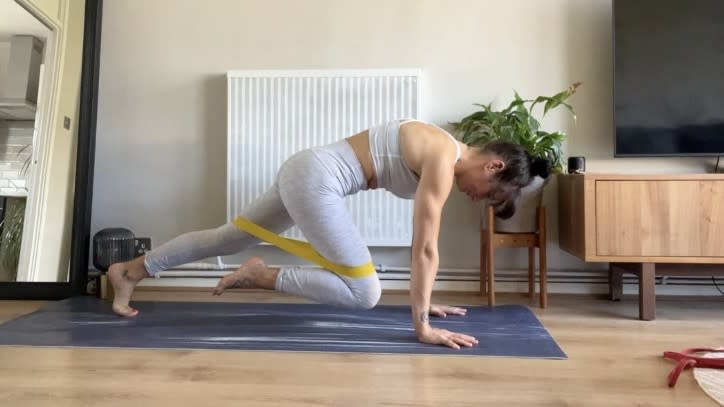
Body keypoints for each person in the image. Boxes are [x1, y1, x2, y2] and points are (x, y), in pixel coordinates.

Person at [107, 118, 550, 349]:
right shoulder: (441, 157)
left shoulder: (442, 148)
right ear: (493, 165)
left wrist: (426, 298)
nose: (479, 198)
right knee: (365, 293)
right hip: (314, 179)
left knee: (227, 238)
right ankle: (260, 275)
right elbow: (425, 247)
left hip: (306, 170)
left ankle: (131, 270)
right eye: (491, 191)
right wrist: (423, 326)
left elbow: (425, 253)